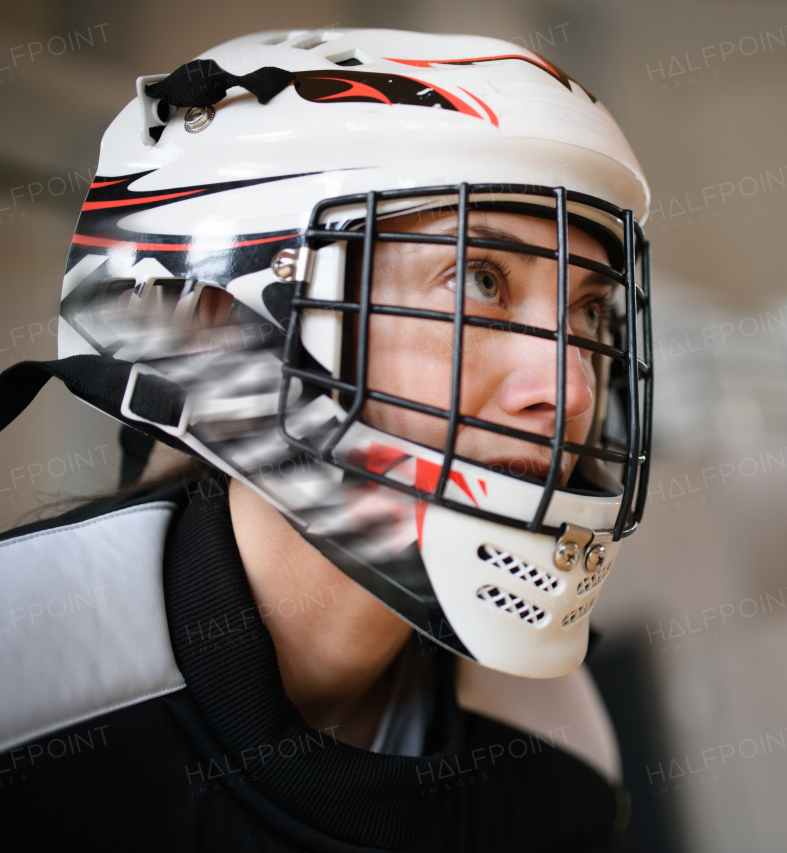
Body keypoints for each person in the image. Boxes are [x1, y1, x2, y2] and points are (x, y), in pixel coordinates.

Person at [0, 28, 652, 851]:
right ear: (211, 322)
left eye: (589, 313)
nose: (570, 390)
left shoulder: (561, 749)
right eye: (481, 281)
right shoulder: (20, 674)